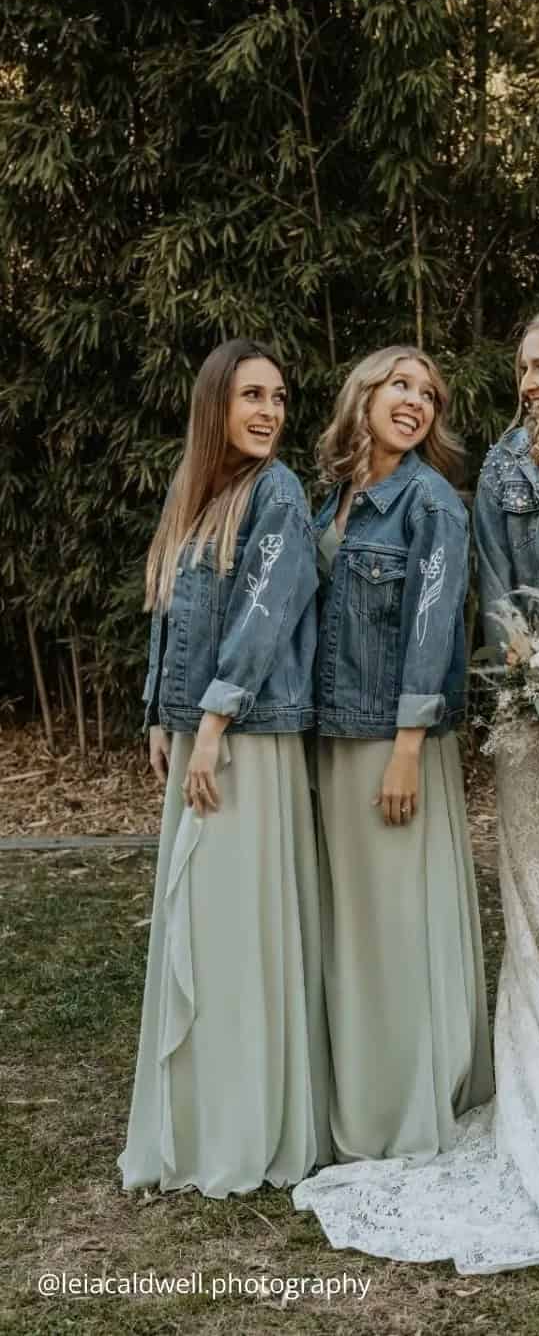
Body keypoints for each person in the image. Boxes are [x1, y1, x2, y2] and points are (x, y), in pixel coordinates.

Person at [295, 300, 539, 1272]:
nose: (526, 385)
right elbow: (501, 607)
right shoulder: (507, 471)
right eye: (522, 369)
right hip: (532, 725)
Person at [120, 338, 330, 1197]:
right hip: (201, 731)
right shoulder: (199, 493)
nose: (269, 413)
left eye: (278, 398)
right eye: (252, 396)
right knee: (200, 927)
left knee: (236, 932)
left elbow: (265, 617)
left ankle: (246, 1124)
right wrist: (160, 713)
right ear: (217, 405)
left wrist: (211, 721)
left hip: (246, 735)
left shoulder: (278, 493)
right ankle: (200, 1115)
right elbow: (170, 613)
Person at [306, 345, 492, 1163]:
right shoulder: (332, 498)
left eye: (430, 394)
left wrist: (409, 747)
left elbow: (433, 626)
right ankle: (358, 1086)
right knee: (353, 925)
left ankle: (403, 1103)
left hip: (392, 740)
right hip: (332, 734)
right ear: (364, 393)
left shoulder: (432, 505)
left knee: (396, 926)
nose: (416, 401)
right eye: (401, 385)